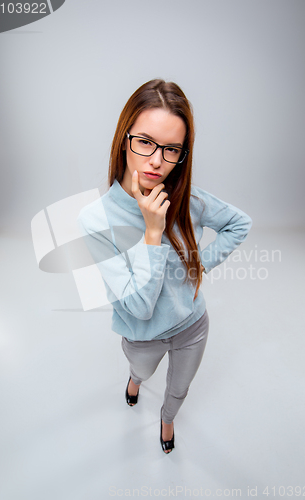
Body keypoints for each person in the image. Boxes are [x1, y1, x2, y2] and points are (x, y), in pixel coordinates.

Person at [77, 79, 252, 454]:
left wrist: (197, 267)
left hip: (193, 325)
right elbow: (139, 310)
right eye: (145, 142)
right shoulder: (96, 219)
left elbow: (240, 223)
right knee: (141, 370)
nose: (157, 161)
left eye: (172, 149)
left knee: (179, 388)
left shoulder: (187, 199)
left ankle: (167, 420)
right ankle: (135, 381)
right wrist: (153, 234)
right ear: (124, 139)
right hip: (143, 335)